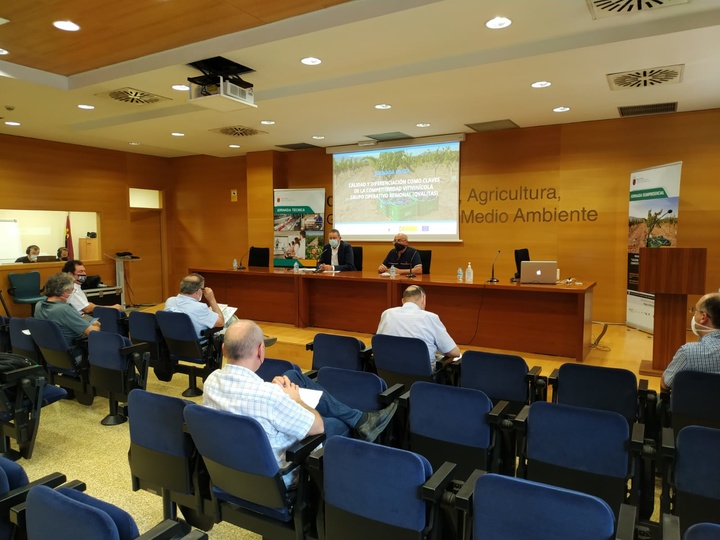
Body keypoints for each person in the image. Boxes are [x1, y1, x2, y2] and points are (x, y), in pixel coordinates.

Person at [203, 319, 397, 486]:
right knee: (335, 423)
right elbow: (318, 427)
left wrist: (272, 388)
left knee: (293, 376)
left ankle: (361, 419)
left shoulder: (211, 381)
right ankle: (356, 449)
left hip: (234, 465)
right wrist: (296, 400)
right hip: (279, 474)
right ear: (260, 351)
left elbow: (248, 399)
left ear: (224, 350)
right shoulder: (269, 395)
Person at [377, 285, 461, 369]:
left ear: (403, 301)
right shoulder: (430, 317)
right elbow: (455, 353)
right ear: (423, 299)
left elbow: (378, 344)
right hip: (423, 376)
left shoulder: (387, 314)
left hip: (388, 372)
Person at [34, 272, 101, 363]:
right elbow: (92, 332)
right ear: (65, 292)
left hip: (50, 356)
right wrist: (96, 325)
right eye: (72, 290)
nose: (73, 292)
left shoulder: (39, 305)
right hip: (73, 355)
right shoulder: (64, 309)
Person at [662, 292, 720, 389]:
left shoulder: (688, 352)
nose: (694, 314)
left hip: (692, 404)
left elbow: (666, 384)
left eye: (696, 311)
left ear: (703, 317)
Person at [164, 273, 224, 338]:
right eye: (202, 289)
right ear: (198, 291)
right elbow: (221, 323)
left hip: (173, 345)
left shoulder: (169, 301)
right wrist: (212, 299)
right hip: (199, 346)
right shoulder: (200, 308)